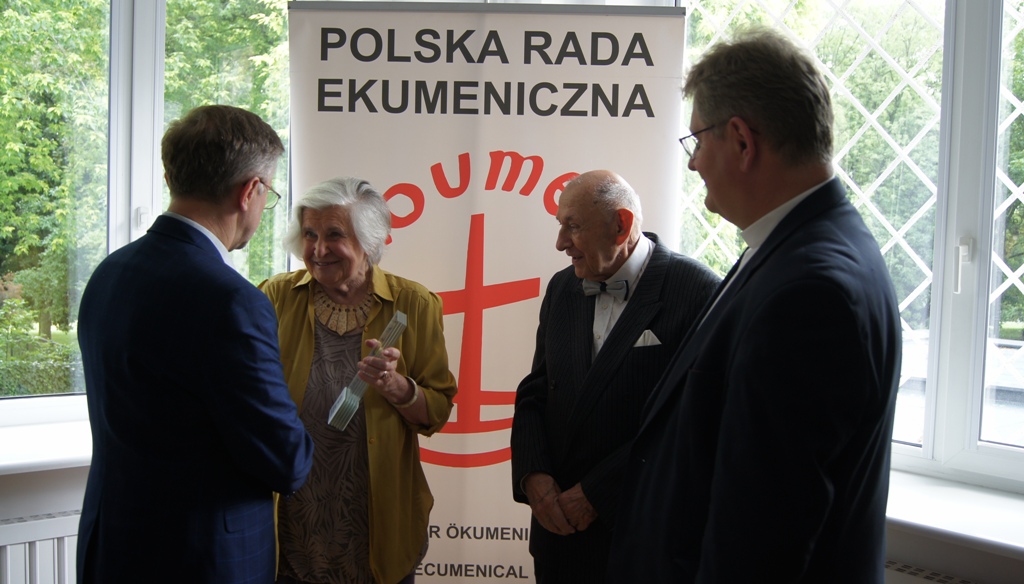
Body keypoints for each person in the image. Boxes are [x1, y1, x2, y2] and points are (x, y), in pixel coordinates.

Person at [608, 29, 903, 583]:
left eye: (697, 141)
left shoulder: (809, 294)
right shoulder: (796, 248)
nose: (693, 164)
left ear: (742, 141)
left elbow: (760, 542)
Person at [76, 104, 314, 584]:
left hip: (112, 546)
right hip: (201, 559)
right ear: (249, 191)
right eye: (268, 193)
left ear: (172, 177)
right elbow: (286, 462)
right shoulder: (231, 301)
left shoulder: (110, 273)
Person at [510, 170, 721, 583]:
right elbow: (536, 391)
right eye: (559, 226)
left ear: (621, 224)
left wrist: (599, 493)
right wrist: (533, 476)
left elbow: (692, 422)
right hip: (558, 538)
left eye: (573, 226)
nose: (560, 243)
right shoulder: (562, 289)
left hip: (641, 538)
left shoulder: (697, 291)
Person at [259, 176, 458, 584]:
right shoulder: (275, 297)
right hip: (291, 520)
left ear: (369, 241)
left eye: (334, 235)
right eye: (310, 234)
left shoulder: (414, 304)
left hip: (378, 522)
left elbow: (436, 412)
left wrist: (399, 389)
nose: (318, 250)